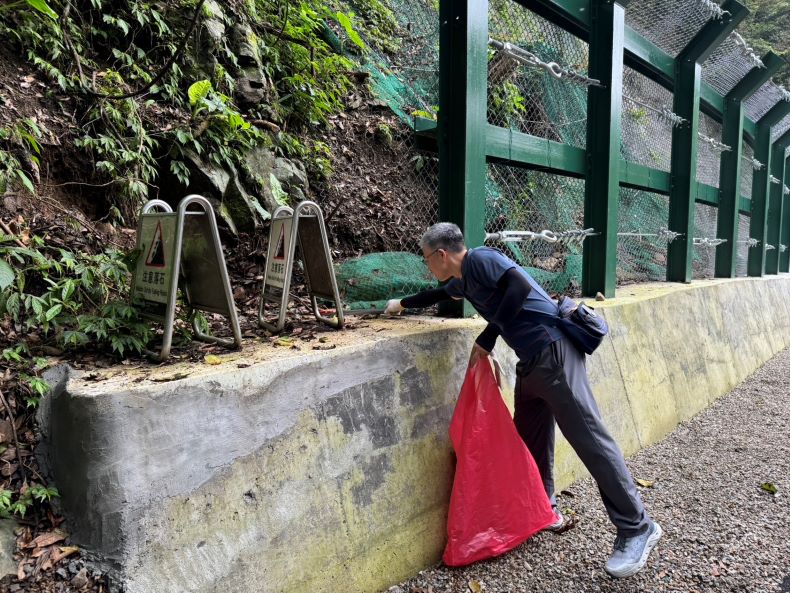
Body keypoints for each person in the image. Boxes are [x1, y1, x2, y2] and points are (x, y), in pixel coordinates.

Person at [385, 222, 662, 578]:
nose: (427, 267)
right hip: (532, 362)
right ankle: (543, 508)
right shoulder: (464, 280)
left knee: (591, 440)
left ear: (441, 254)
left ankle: (637, 526)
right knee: (529, 439)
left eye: (426, 259)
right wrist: (401, 305)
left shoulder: (480, 260)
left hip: (553, 352)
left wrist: (486, 340)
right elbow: (436, 295)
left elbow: (517, 286)